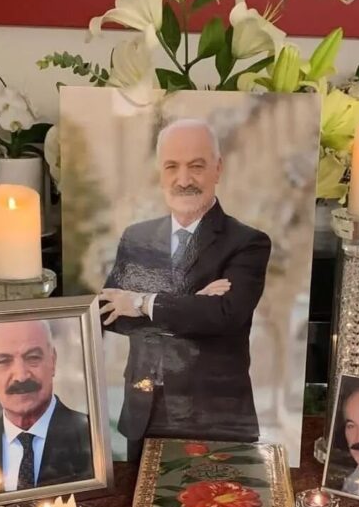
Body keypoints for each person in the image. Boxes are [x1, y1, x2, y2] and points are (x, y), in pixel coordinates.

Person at [99, 118, 271, 460]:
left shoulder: (247, 242)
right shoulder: (137, 237)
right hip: (145, 412)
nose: (183, 179)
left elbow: (224, 317)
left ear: (218, 168)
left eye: (196, 166)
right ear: (160, 172)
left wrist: (142, 302)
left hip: (214, 418)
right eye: (172, 167)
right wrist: (191, 306)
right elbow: (109, 315)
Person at [0, 319, 93, 496]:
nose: (21, 376)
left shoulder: (92, 437)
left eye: (32, 358)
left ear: (53, 361)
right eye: (4, 361)